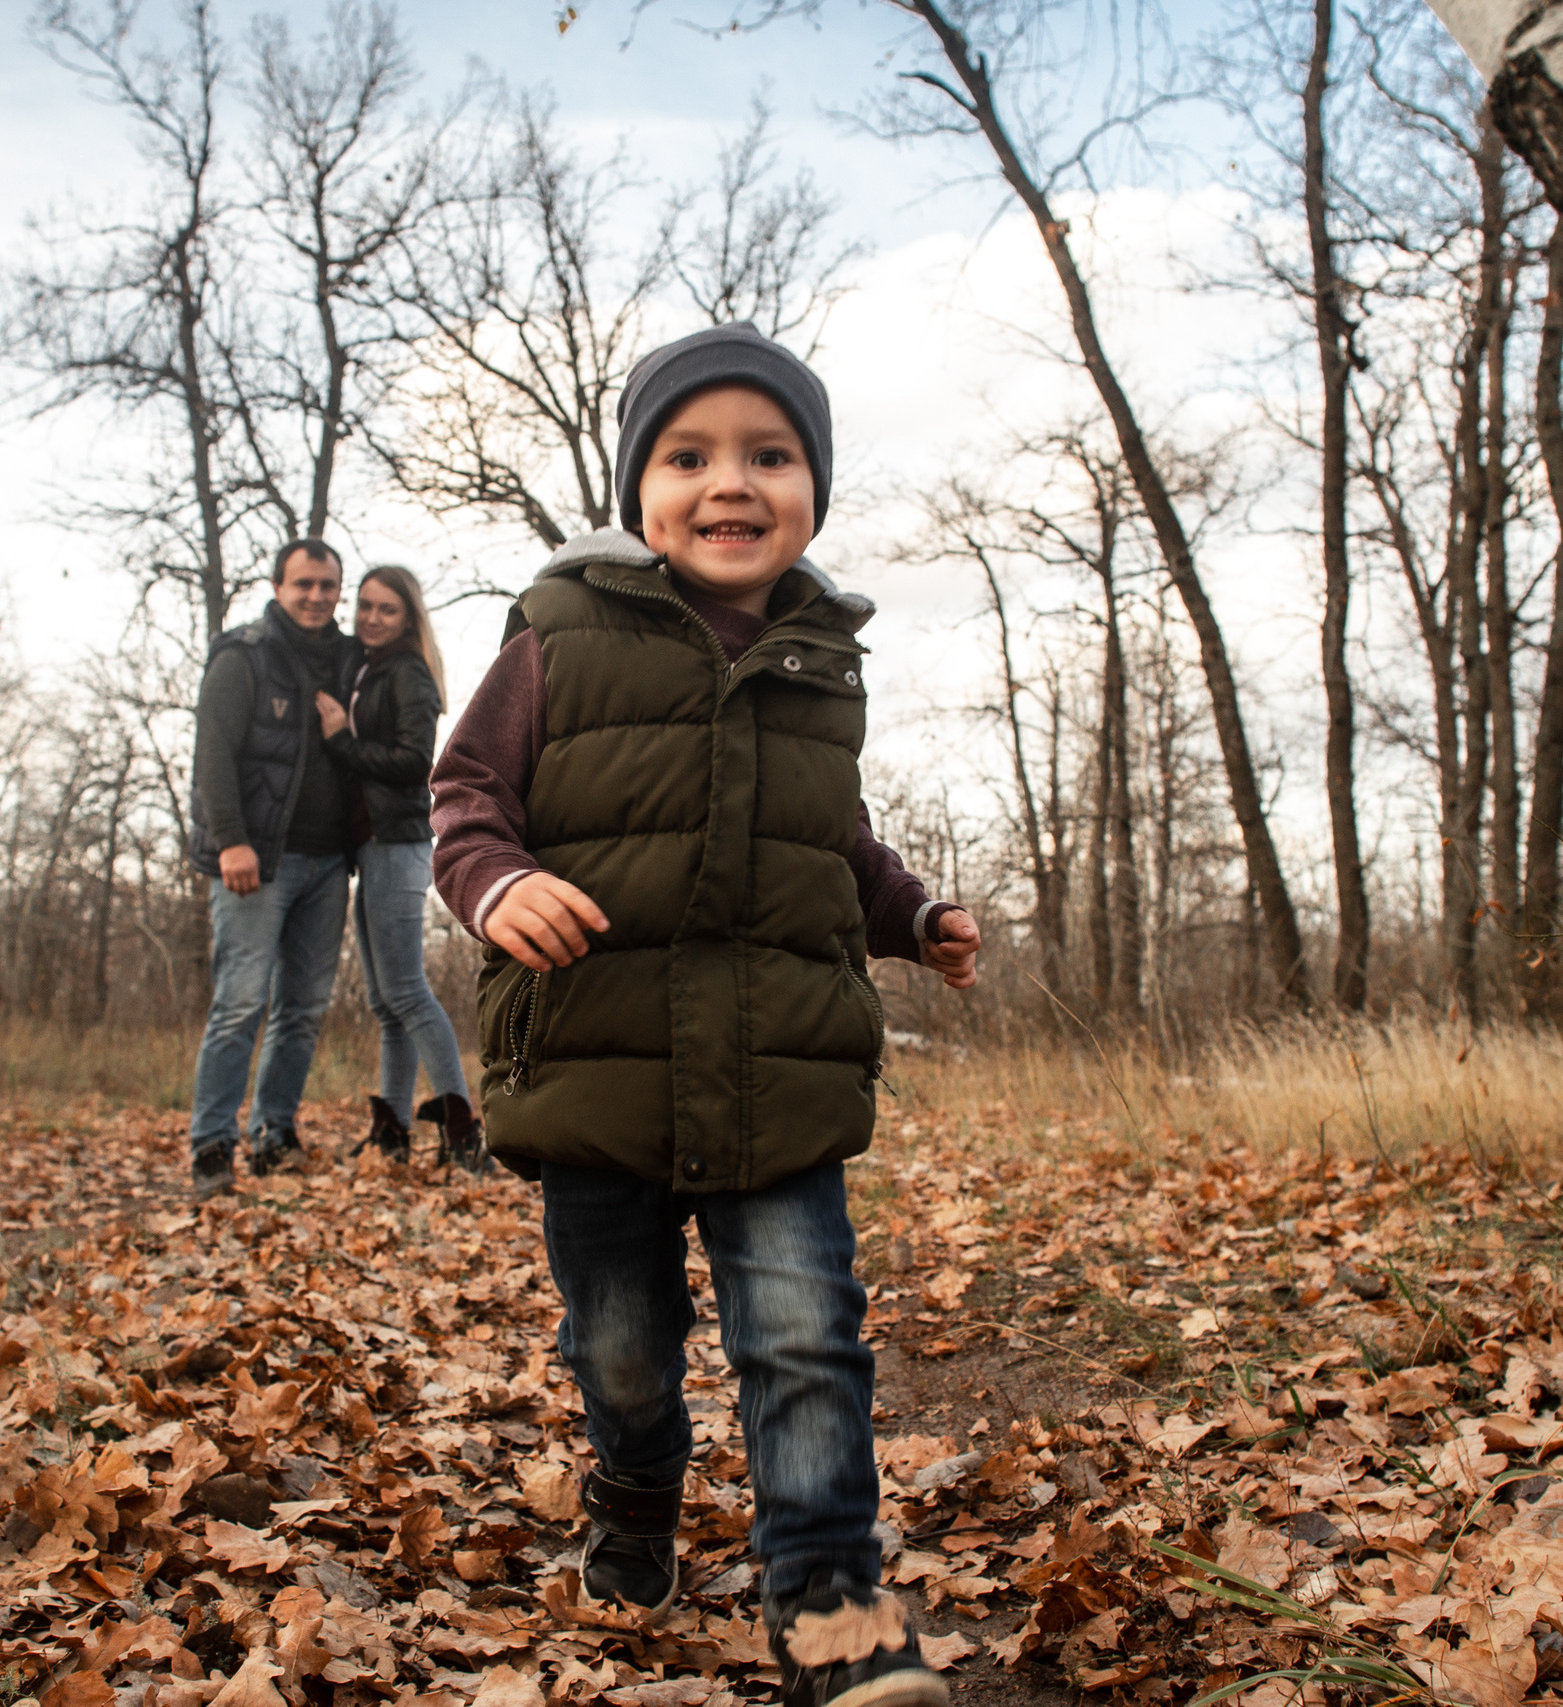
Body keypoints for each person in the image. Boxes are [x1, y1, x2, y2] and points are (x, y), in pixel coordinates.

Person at [430, 323, 983, 1707]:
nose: (730, 482)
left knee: (805, 1339)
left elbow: (832, 839)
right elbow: (464, 800)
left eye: (769, 454)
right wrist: (499, 885)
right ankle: (634, 1503)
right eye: (690, 455)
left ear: (812, 487)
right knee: (621, 1349)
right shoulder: (557, 632)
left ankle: (830, 1595)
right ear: (638, 489)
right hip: (597, 1070)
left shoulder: (821, 657)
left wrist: (909, 915)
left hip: (776, 1077)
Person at [186, 539, 362, 1195]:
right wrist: (232, 840)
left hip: (328, 865)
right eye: (304, 584)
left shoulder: (348, 660)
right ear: (278, 586)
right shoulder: (245, 653)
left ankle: (274, 1132)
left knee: (303, 1008)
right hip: (257, 863)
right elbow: (213, 753)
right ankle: (211, 1145)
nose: (317, 596)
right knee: (239, 1004)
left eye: (328, 585)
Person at [316, 565, 486, 1170]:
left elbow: (417, 762)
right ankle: (391, 1130)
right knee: (386, 1003)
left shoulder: (409, 673)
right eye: (365, 606)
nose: (371, 618)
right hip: (372, 844)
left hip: (401, 841)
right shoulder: (367, 667)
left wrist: (341, 740)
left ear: (408, 618)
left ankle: (463, 1131)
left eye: (387, 609)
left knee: (408, 992)